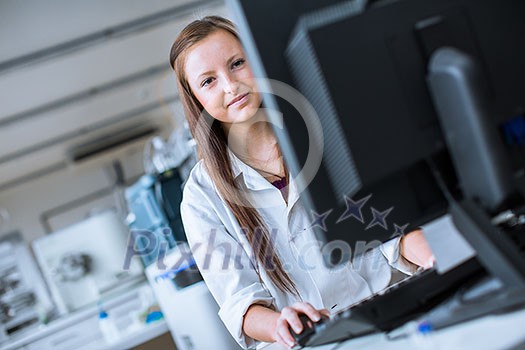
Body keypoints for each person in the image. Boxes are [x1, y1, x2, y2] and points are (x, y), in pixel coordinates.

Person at [170, 16, 435, 349]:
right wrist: (280, 323)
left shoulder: (327, 128)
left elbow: (396, 230)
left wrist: (435, 254)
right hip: (308, 343)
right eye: (208, 81)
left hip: (392, 314)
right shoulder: (201, 196)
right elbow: (241, 303)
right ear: (195, 99)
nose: (230, 86)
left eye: (237, 64)